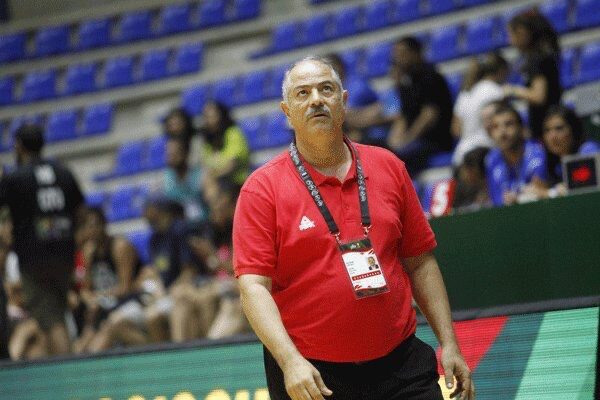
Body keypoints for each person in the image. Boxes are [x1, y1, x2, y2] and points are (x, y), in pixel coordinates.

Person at [234, 57, 473, 400]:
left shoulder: (388, 166)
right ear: (287, 112)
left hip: (400, 364)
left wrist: (449, 343)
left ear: (343, 102)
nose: (316, 99)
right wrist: (290, 361)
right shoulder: (262, 189)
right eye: (303, 93)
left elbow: (420, 262)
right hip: (314, 375)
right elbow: (253, 287)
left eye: (326, 89)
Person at [0, 124, 85, 355]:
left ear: (18, 146)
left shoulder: (16, 178)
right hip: (64, 255)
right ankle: (58, 366)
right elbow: (81, 212)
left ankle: (67, 369)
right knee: (55, 312)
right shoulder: (63, 172)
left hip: (34, 259)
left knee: (50, 319)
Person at [73, 207, 144, 354]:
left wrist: (98, 299)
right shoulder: (88, 252)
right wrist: (91, 300)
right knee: (81, 344)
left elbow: (126, 288)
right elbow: (86, 289)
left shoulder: (120, 246)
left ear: (104, 224)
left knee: (102, 335)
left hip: (130, 301)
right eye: (86, 226)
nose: (91, 230)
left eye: (94, 225)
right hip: (103, 306)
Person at [387, 36, 455, 173]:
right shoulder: (406, 82)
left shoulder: (431, 77)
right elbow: (404, 116)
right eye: (396, 54)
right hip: (415, 140)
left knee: (397, 159)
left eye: (402, 53)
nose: (397, 58)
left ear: (416, 53)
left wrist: (406, 140)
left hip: (435, 140)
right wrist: (393, 141)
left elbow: (429, 116)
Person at [503, 9, 562, 139]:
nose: (509, 41)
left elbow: (538, 96)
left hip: (546, 127)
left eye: (511, 35)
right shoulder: (543, 56)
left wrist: (512, 90)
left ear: (522, 33)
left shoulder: (537, 59)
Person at [523, 105, 600, 199]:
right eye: (547, 130)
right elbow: (536, 188)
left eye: (559, 128)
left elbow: (584, 190)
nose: (552, 136)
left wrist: (550, 193)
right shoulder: (549, 161)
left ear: (574, 130)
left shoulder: (588, 150)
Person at [323, 53, 396, 147]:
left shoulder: (357, 86)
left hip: (372, 134)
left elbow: (381, 108)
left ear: (340, 67)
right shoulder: (329, 92)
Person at [452, 53, 509, 166]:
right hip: (484, 155)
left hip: (461, 155)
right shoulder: (495, 91)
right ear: (502, 70)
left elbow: (456, 130)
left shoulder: (465, 94)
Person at [485, 103, 547, 206]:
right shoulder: (492, 160)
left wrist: (517, 198)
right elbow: (497, 200)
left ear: (521, 128)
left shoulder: (536, 152)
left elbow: (539, 192)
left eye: (508, 124)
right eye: (496, 127)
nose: (502, 132)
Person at [198, 101, 250, 189]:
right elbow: (205, 165)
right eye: (206, 117)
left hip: (237, 183)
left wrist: (214, 175)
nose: (209, 121)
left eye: (212, 116)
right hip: (218, 182)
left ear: (221, 116)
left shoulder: (233, 133)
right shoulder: (207, 139)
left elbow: (231, 165)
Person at [163, 136, 207, 226]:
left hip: (204, 224)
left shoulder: (199, 174)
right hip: (182, 229)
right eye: (169, 154)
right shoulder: (167, 179)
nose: (171, 158)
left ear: (185, 153)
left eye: (175, 154)